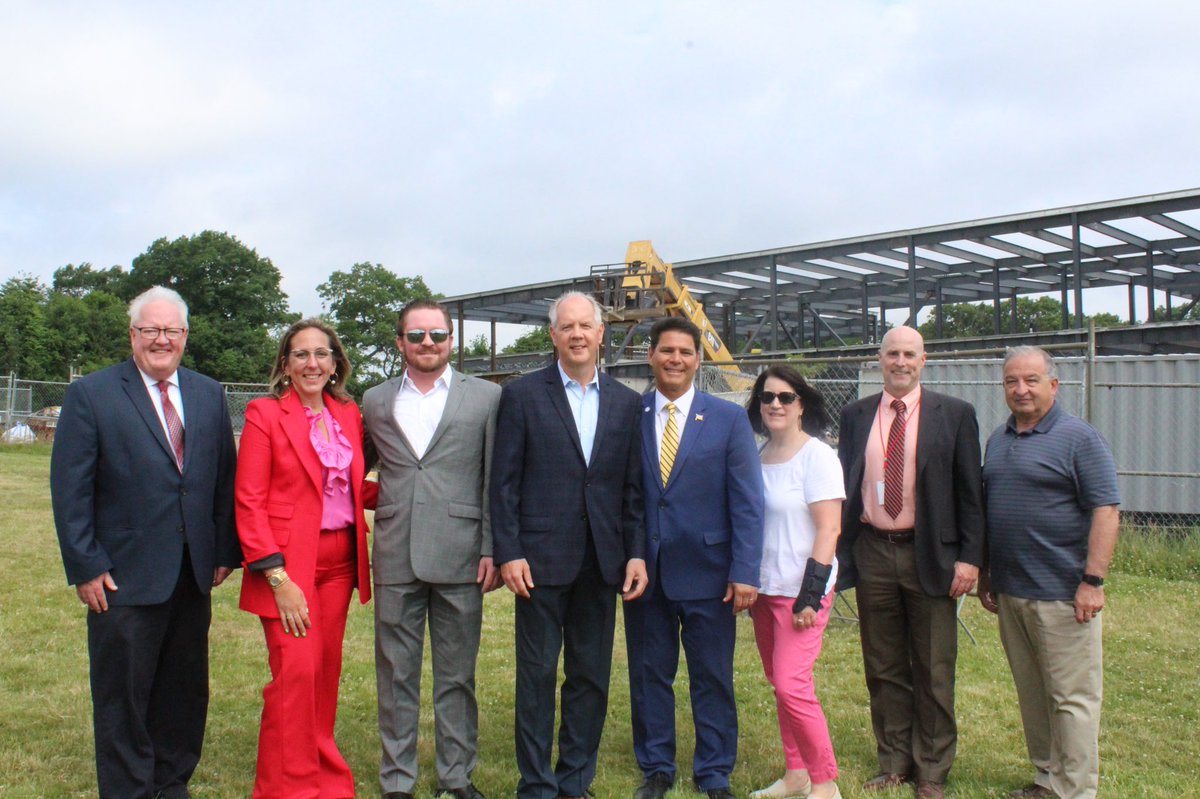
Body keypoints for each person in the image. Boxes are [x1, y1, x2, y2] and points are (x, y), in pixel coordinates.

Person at [50, 285, 240, 799]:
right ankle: (130, 789)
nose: (162, 340)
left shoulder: (207, 392)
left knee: (183, 691)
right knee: (123, 697)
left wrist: (224, 550)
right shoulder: (92, 393)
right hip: (122, 575)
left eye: (171, 331)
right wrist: (86, 565)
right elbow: (70, 489)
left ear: (185, 336)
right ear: (133, 335)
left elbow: (223, 477)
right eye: (150, 330)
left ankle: (170, 782)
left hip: (192, 572)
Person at [490, 291, 648, 799]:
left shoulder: (627, 402)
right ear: (553, 335)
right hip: (537, 562)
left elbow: (633, 489)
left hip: (602, 562)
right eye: (567, 327)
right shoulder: (521, 396)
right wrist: (509, 550)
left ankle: (574, 780)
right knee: (535, 676)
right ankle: (535, 783)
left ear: (601, 333)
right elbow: (505, 483)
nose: (577, 334)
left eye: (586, 325)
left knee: (590, 676)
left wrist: (637, 551)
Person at [836, 325, 984, 799]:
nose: (900, 362)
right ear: (879, 359)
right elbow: (845, 485)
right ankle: (894, 759)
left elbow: (971, 494)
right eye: (892, 353)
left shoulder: (955, 415)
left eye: (909, 355)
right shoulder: (856, 414)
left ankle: (933, 769)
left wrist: (970, 558)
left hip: (931, 554)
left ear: (924, 361)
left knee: (934, 666)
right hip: (874, 549)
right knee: (882, 664)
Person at [362, 299, 502, 799]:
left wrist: (491, 547)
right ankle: (397, 780)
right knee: (395, 673)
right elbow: (353, 469)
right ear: (400, 342)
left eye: (437, 336)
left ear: (451, 341)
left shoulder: (486, 397)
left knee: (456, 676)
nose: (428, 344)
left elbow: (493, 481)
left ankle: (455, 777)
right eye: (416, 335)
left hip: (463, 554)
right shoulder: (374, 399)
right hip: (396, 551)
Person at [626, 317, 765, 799]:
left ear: (698, 360)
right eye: (666, 351)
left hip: (711, 574)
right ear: (651, 356)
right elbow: (628, 497)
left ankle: (714, 771)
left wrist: (746, 570)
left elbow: (748, 501)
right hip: (646, 574)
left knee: (712, 677)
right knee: (649, 676)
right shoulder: (631, 413)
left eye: (685, 352)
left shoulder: (727, 419)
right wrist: (632, 555)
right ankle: (657, 766)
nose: (675, 360)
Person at [234, 319, 372, 799]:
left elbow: (352, 486)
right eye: (301, 354)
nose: (312, 363)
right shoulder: (264, 414)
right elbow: (248, 501)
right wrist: (277, 576)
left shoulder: (348, 415)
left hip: (340, 563)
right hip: (286, 565)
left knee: (323, 671)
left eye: (322, 353)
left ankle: (323, 778)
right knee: (294, 672)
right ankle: (289, 788)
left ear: (335, 363)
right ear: (286, 364)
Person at [978, 346, 1120, 799]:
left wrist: (1092, 581)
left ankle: (1075, 790)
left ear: (1053, 386)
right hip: (1011, 590)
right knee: (1033, 693)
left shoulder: (1080, 439)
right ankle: (1046, 777)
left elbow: (1106, 510)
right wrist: (987, 574)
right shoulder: (997, 440)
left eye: (1031, 380)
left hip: (1063, 594)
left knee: (1071, 698)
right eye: (1011, 382)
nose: (1020, 390)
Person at [745, 366, 845, 799]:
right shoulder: (758, 456)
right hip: (764, 591)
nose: (775, 405)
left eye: (786, 397)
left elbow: (829, 532)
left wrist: (810, 596)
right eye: (767, 398)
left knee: (792, 684)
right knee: (779, 685)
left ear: (802, 404)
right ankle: (795, 775)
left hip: (801, 595)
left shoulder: (818, 456)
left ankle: (824, 783)